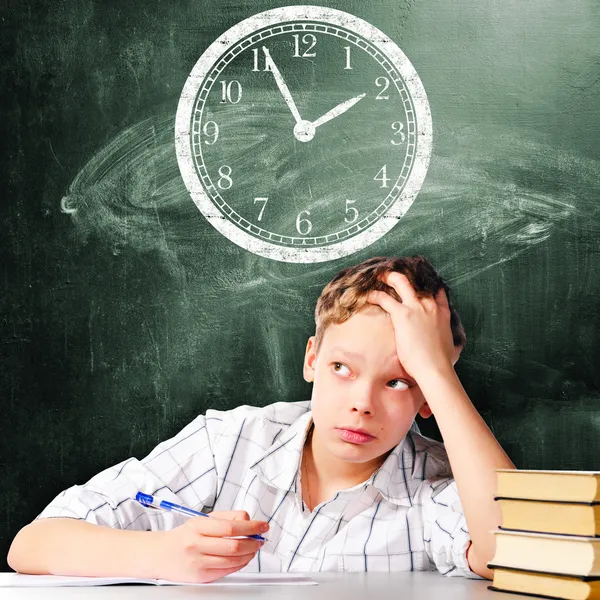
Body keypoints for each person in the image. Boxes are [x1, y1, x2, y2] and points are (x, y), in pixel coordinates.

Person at [7, 255, 515, 582]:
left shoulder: (445, 485)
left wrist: (436, 370)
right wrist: (162, 554)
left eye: (399, 381)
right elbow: (32, 544)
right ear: (312, 359)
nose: (362, 403)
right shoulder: (230, 442)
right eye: (342, 368)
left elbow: (509, 550)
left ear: (429, 396)